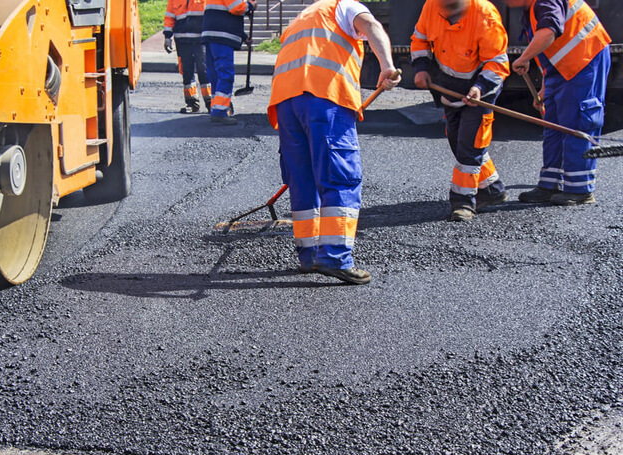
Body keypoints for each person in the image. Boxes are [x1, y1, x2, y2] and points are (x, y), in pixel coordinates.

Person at [267, 0, 400, 285]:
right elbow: (372, 26)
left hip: (287, 102)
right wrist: (387, 65)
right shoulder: (345, 6)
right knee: (340, 177)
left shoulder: (302, 18)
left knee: (302, 179)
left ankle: (309, 255)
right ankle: (335, 257)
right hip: (324, 98)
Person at [502, 0, 611, 206]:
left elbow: (549, 33)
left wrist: (524, 58)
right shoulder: (531, 9)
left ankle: (580, 189)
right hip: (560, 68)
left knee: (578, 121)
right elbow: (550, 51)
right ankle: (550, 184)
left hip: (586, 57)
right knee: (553, 124)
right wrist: (545, 87)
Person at [411, 0, 511, 222]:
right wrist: (420, 68)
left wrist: (479, 87)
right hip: (449, 88)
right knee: (458, 142)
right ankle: (493, 189)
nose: (448, 12)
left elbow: (497, 63)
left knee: (470, 146)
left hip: (481, 91)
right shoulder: (432, 6)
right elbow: (420, 39)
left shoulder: (485, 15)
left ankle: (463, 202)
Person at [201, 0, 257, 125]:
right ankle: (220, 112)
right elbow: (236, 8)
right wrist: (250, 5)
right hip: (221, 36)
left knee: (215, 74)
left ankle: (216, 108)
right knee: (225, 74)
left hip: (211, 34)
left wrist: (242, 36)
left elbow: (224, 14)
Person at [164, 0, 212, 113]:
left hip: (201, 39)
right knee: (186, 71)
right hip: (182, 40)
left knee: (204, 70)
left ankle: (210, 102)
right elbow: (169, 17)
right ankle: (192, 103)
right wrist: (167, 37)